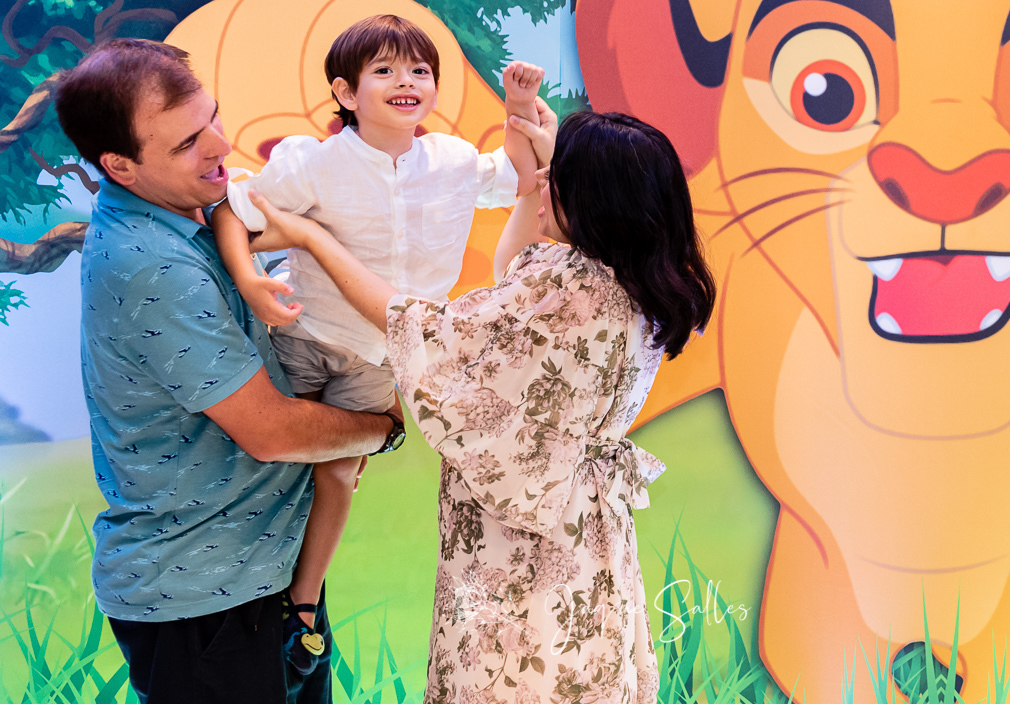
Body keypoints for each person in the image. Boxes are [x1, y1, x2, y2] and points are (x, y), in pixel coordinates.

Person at [245, 104, 718, 704]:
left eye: (560, 177)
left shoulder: (570, 288)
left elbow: (422, 328)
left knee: (513, 676)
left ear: (593, 201)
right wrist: (538, 172)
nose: (545, 186)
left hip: (526, 541)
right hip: (590, 528)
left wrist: (314, 237)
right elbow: (512, 272)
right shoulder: (635, 276)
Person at [57, 38, 406, 704]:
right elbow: (270, 431)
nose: (219, 145)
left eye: (212, 118)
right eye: (187, 144)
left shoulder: (193, 213)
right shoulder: (152, 266)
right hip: (203, 602)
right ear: (119, 165)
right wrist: (381, 429)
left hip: (266, 576)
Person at [210, 14, 544, 673]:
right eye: (385, 71)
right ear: (345, 91)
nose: (406, 82)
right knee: (270, 464)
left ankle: (303, 601)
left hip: (378, 353)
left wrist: (520, 108)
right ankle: (240, 585)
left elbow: (520, 176)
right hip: (302, 334)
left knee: (339, 471)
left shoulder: (450, 162)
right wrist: (249, 278)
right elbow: (232, 209)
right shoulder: (312, 162)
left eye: (420, 70)